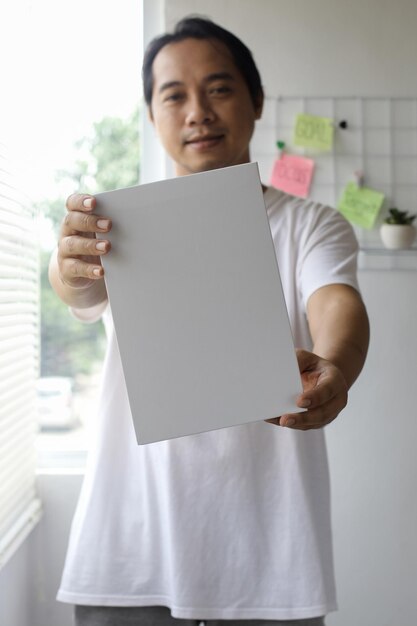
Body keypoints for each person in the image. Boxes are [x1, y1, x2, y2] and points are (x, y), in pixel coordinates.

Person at [49, 16, 370, 626]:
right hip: (129, 548)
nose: (197, 111)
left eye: (219, 88)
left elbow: (337, 303)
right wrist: (68, 263)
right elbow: (77, 294)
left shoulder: (310, 223)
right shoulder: (119, 224)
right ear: (152, 115)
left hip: (269, 553)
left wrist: (336, 366)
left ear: (256, 101)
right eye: (174, 95)